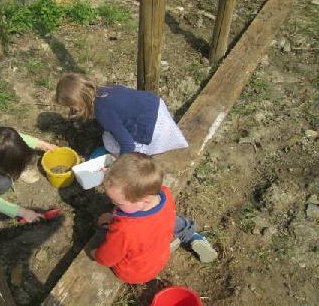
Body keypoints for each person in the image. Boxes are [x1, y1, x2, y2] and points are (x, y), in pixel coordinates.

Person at [90, 153, 218, 284]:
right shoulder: (164, 194)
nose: (114, 204)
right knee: (171, 219)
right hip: (161, 256)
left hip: (134, 273)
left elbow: (108, 258)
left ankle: (104, 229)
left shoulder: (124, 229)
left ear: (145, 200)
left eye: (118, 203)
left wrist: (96, 254)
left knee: (106, 233)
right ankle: (189, 233)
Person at [55, 73, 188, 156]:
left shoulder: (102, 112)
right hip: (155, 106)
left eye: (71, 107)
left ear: (79, 102)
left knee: (110, 145)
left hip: (152, 130)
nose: (71, 110)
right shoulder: (105, 90)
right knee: (108, 134)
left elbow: (128, 145)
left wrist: (119, 166)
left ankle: (128, 160)